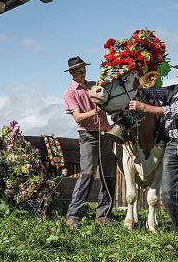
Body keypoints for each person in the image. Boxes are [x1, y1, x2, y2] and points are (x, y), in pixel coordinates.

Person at [128, 55, 178, 244]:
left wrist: (143, 107)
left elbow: (172, 111)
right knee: (168, 193)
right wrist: (140, 75)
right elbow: (150, 91)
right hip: (172, 146)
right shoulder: (172, 90)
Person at [63, 56, 116, 228]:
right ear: (71, 72)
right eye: (78, 69)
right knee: (87, 174)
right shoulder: (70, 93)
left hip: (105, 134)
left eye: (83, 67)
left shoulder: (94, 85)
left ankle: (103, 215)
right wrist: (95, 112)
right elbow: (77, 117)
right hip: (87, 135)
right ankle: (73, 216)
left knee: (109, 175)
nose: (82, 71)